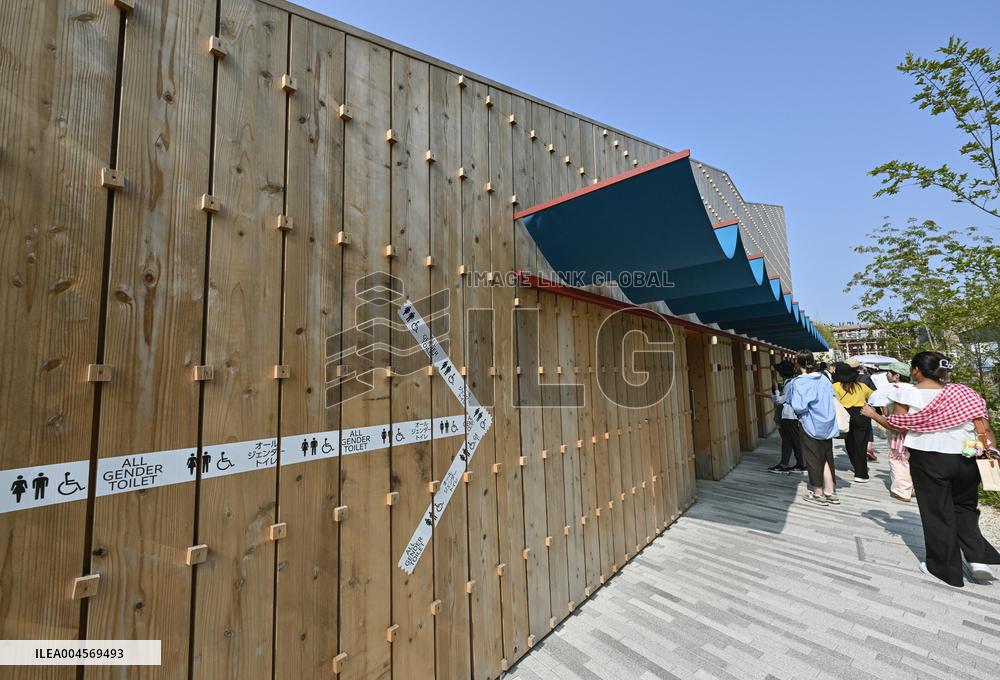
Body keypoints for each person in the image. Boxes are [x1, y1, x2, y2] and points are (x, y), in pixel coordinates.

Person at [862, 351, 1000, 586]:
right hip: (968, 457)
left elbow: (898, 425)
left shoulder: (906, 392)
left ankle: (946, 570)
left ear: (916, 370)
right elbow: (983, 426)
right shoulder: (964, 392)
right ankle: (977, 559)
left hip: (930, 459)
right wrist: (992, 456)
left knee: (937, 513)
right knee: (965, 508)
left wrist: (873, 414)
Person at [788, 350, 841, 506]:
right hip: (827, 423)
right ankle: (830, 491)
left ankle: (818, 492)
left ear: (798, 362)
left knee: (812, 457)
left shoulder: (799, 382)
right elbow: (832, 397)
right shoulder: (823, 379)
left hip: (810, 423)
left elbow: (799, 406)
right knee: (826, 457)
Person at [868, 361, 914, 501]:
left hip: (897, 429)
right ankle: (913, 487)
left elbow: (874, 401)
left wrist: (874, 414)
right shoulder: (915, 388)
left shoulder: (893, 389)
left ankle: (901, 490)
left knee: (898, 459)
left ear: (896, 376)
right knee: (911, 459)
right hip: (915, 430)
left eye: (889, 372)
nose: (886, 374)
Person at [758, 361, 805, 474]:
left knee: (794, 440)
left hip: (790, 415)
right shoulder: (793, 381)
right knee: (788, 440)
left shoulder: (789, 384)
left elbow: (779, 400)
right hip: (791, 415)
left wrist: (775, 388)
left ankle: (800, 464)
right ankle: (785, 464)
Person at [831, 362, 874, 483]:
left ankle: (856, 466)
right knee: (861, 445)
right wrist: (869, 406)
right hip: (861, 414)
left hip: (846, 415)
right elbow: (873, 396)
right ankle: (862, 474)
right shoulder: (861, 386)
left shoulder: (835, 386)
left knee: (849, 444)